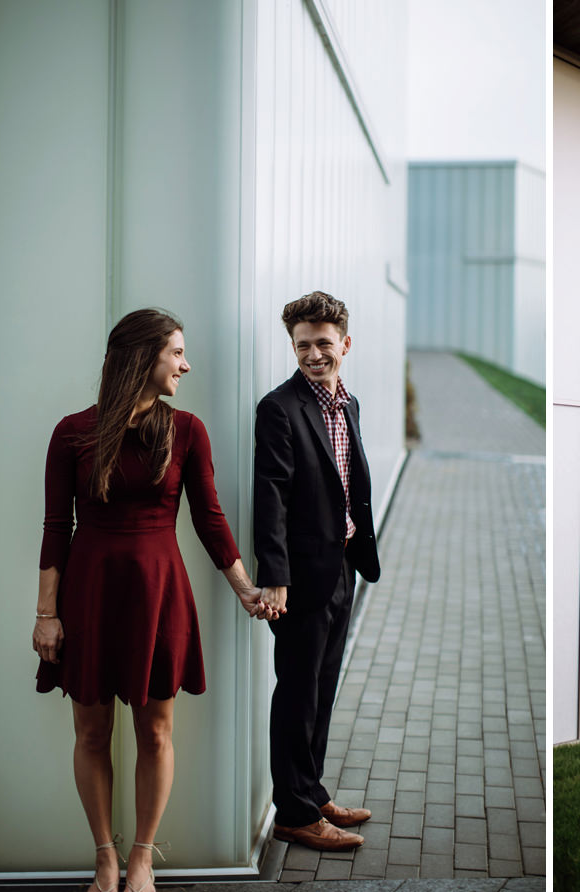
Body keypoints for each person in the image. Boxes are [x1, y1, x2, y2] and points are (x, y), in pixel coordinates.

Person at [33, 308, 270, 892]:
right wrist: (46, 613)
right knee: (90, 732)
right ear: (144, 357)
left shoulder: (187, 430)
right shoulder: (72, 432)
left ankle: (141, 857)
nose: (186, 365)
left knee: (156, 732)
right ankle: (104, 858)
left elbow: (210, 519)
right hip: (88, 594)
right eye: (177, 353)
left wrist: (246, 591)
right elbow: (53, 526)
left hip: (160, 595)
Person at [253, 292, 382, 852]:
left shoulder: (346, 405)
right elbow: (271, 496)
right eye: (302, 345)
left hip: (342, 568)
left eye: (323, 344)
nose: (312, 355)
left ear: (345, 345)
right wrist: (274, 575)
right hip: (302, 578)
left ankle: (312, 792)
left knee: (323, 689)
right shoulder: (279, 408)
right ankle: (296, 814)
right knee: (298, 694)